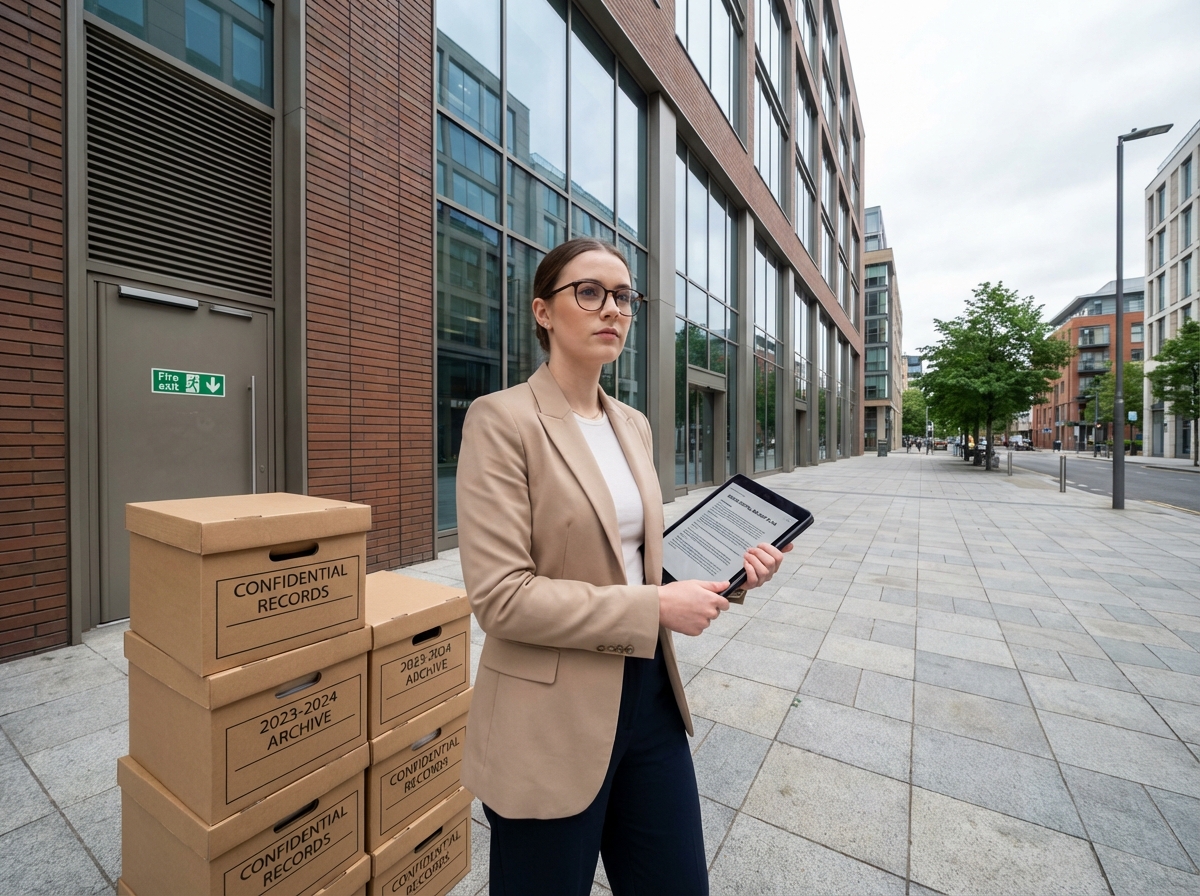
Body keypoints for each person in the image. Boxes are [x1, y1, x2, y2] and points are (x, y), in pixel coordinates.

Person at [455, 238, 789, 896]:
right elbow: (501, 598)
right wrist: (654, 608)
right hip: (549, 714)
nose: (612, 309)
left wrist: (732, 574)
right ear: (543, 312)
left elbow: (640, 561)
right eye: (589, 292)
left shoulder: (632, 424)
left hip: (650, 696)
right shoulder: (502, 420)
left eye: (624, 296)